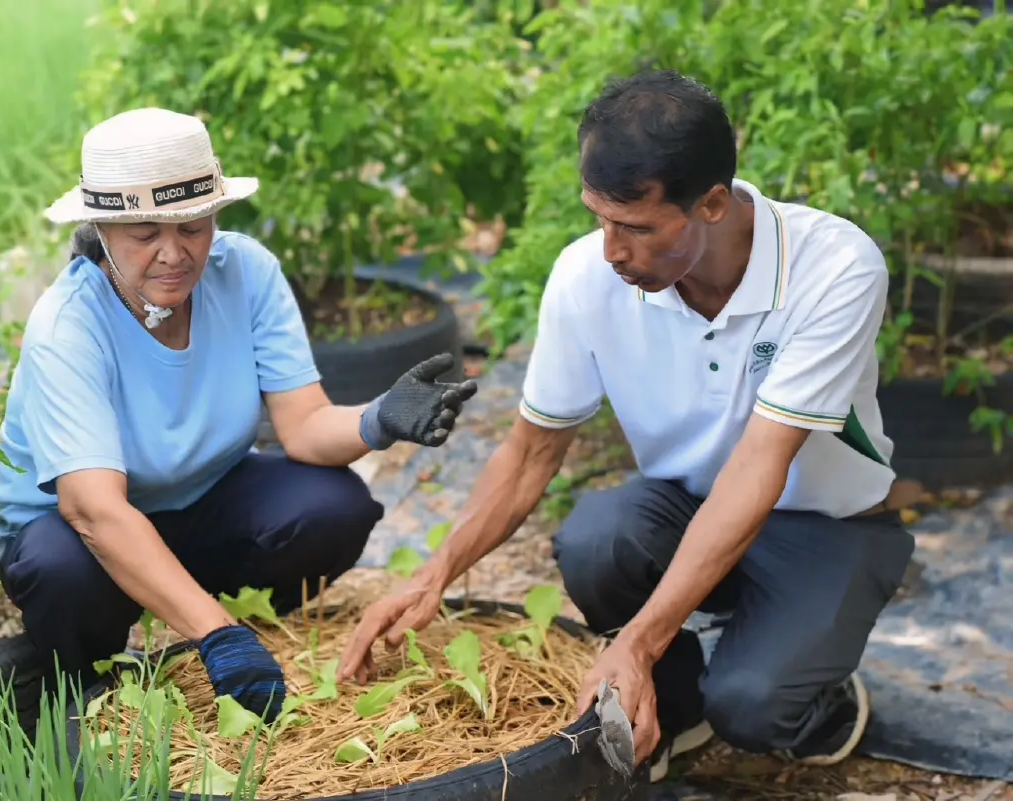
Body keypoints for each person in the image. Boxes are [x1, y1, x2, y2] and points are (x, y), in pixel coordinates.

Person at [338, 69, 914, 779]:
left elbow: (762, 466)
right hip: (683, 505)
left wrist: (636, 642)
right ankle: (676, 706)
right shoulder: (588, 277)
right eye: (599, 218)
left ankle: (817, 697)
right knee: (596, 539)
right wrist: (436, 572)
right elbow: (529, 455)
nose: (612, 250)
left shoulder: (834, 268)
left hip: (824, 522)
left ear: (710, 204)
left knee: (756, 707)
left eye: (636, 227)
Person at [0, 107, 477, 722]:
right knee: (64, 572)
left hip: (198, 498)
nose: (174, 253)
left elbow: (302, 427)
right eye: (145, 235)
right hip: (75, 532)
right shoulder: (68, 325)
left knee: (334, 508)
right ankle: (97, 673)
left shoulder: (245, 271)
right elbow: (94, 509)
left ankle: (228, 638)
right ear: (103, 230)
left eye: (193, 227)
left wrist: (379, 419)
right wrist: (217, 634)